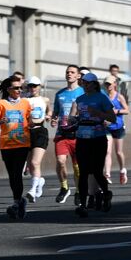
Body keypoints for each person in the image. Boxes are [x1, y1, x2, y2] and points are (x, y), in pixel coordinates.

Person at [72, 71, 117, 216]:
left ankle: (106, 193)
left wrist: (97, 113)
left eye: (86, 82)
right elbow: (73, 117)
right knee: (83, 172)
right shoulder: (79, 99)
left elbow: (113, 117)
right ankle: (83, 205)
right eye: (82, 82)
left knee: (97, 171)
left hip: (98, 137)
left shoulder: (102, 98)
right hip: (82, 137)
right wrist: (73, 120)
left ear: (93, 84)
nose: (84, 85)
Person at [0, 76, 33, 219]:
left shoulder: (25, 103)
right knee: (11, 176)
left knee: (17, 174)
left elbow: (31, 121)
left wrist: (36, 123)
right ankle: (20, 201)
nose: (19, 90)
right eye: (16, 88)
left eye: (20, 88)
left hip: (22, 144)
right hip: (6, 144)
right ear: (8, 89)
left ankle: (16, 202)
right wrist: (0, 121)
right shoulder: (1, 104)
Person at [51, 64, 82, 204]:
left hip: (77, 134)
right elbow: (55, 112)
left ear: (78, 76)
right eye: (67, 72)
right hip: (61, 133)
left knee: (77, 167)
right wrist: (53, 119)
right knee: (60, 161)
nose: (69, 74)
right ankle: (64, 187)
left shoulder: (82, 93)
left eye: (72, 72)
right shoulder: (60, 94)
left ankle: (79, 191)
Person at [21, 78, 49, 202]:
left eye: (35, 86)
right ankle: (40, 181)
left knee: (35, 162)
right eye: (31, 86)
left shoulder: (45, 99)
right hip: (27, 132)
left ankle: (32, 190)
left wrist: (49, 116)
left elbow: (49, 111)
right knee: (30, 165)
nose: (33, 88)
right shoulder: (24, 100)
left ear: (40, 87)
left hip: (40, 132)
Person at [102, 78, 130, 186]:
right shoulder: (104, 97)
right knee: (107, 151)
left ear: (115, 84)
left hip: (118, 127)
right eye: (106, 84)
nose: (108, 86)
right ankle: (107, 174)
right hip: (107, 127)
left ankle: (123, 169)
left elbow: (127, 110)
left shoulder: (119, 96)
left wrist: (117, 111)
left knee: (118, 152)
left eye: (110, 84)